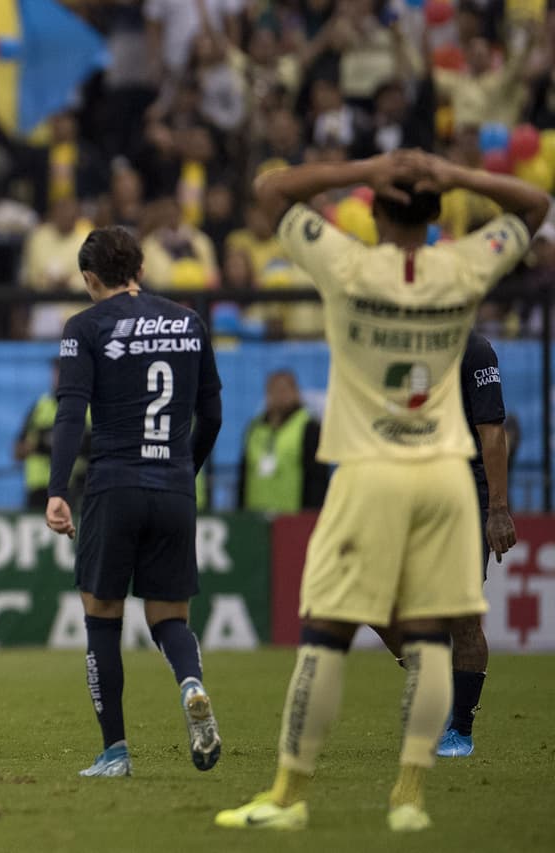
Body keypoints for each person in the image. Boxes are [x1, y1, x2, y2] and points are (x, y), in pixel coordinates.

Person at [216, 150, 546, 832]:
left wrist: (372, 162)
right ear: (434, 218)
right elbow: (536, 207)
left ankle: (286, 795)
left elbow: (272, 189)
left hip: (368, 469)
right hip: (445, 476)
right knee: (429, 637)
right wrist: (452, 174)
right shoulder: (461, 267)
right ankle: (408, 799)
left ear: (372, 209)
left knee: (325, 631)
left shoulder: (348, 265)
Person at [45, 226, 224, 779]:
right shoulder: (189, 321)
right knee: (169, 617)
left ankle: (116, 751)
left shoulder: (84, 327)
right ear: (141, 270)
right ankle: (190, 682)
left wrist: (56, 491)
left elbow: (72, 414)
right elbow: (212, 415)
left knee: (102, 617)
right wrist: (181, 473)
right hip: (172, 486)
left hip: (114, 486)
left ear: (90, 278)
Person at [372, 330, 517, 759]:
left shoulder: (474, 350)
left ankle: (460, 731)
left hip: (461, 495)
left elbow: (492, 433)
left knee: (463, 619)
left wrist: (498, 509)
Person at [237, 370, 330, 512]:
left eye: (284, 390)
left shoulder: (309, 427)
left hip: (294, 517)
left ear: (296, 393)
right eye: (274, 390)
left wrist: (311, 514)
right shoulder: (255, 428)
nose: (280, 396)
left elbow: (317, 478)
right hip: (256, 516)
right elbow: (244, 473)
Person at [15, 359, 90, 512]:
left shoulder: (87, 408)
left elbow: (97, 446)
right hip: (39, 488)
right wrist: (37, 445)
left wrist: (52, 442)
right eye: (56, 372)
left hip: (74, 487)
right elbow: (17, 451)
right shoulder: (39, 407)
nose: (58, 377)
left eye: (63, 372)